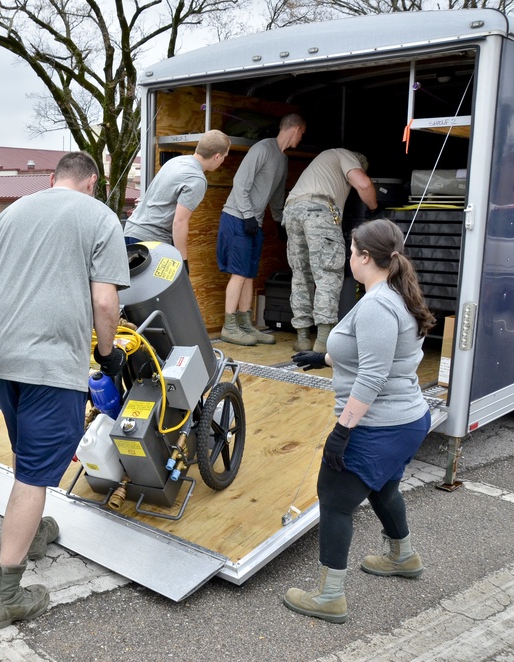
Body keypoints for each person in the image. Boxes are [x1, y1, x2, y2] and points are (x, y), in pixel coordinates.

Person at [0, 151, 130, 629]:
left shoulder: (10, 214)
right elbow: (105, 300)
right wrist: (108, 354)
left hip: (0, 358)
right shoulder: (99, 216)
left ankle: (33, 528)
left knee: (28, 455)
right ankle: (5, 594)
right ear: (92, 183)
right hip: (49, 363)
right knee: (36, 475)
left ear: (52, 178)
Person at [283, 218, 435, 624]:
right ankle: (404, 557)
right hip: (405, 420)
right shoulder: (395, 295)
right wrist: (324, 359)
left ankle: (329, 596)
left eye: (352, 252)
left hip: (379, 425)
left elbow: (372, 375)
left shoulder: (377, 306)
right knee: (382, 486)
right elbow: (374, 355)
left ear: (366, 257)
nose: (349, 258)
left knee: (334, 501)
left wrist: (342, 430)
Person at [217, 114, 306, 346]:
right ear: (295, 129)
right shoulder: (262, 149)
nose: (302, 138)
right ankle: (229, 326)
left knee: (248, 274)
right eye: (302, 133)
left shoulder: (283, 159)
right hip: (237, 217)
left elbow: (276, 196)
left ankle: (246, 325)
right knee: (239, 273)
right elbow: (240, 183)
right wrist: (247, 215)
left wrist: (279, 221)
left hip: (252, 221)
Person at [283, 148, 378, 353]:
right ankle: (323, 340)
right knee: (327, 274)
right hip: (318, 212)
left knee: (301, 275)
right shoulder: (347, 156)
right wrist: (373, 207)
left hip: (292, 211)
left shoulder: (324, 162)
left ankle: (303, 338)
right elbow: (364, 183)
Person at [122, 129, 230, 270]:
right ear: (216, 156)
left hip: (130, 232)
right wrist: (182, 261)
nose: (223, 160)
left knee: (130, 290)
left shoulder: (176, 162)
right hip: (151, 242)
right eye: (224, 156)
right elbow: (179, 222)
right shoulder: (196, 179)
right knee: (161, 291)